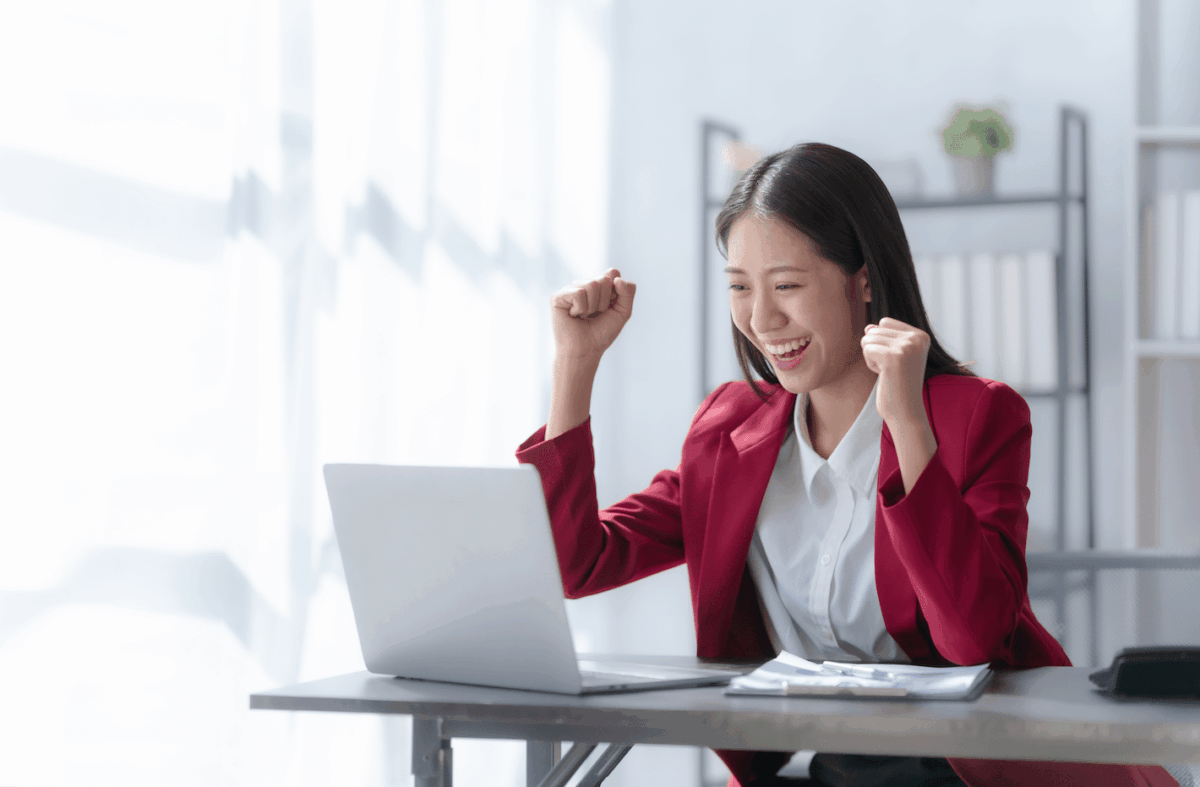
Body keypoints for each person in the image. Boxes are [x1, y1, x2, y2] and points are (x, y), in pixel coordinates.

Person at [515, 143, 1176, 787]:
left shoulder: (976, 414)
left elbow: (972, 635)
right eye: (740, 287)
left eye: (788, 285)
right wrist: (576, 365)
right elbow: (577, 563)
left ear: (861, 278)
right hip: (839, 765)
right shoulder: (729, 430)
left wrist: (908, 424)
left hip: (989, 768)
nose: (762, 317)